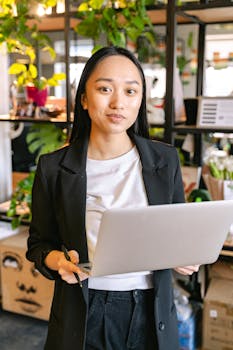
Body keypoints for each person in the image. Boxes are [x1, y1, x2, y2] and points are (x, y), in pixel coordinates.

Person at [26, 46, 199, 350]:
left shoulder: (165, 160)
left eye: (131, 91)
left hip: (152, 311)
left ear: (140, 99)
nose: (118, 102)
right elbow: (39, 245)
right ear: (83, 98)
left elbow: (175, 234)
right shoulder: (54, 168)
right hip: (86, 310)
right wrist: (59, 261)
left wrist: (182, 257)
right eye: (105, 88)